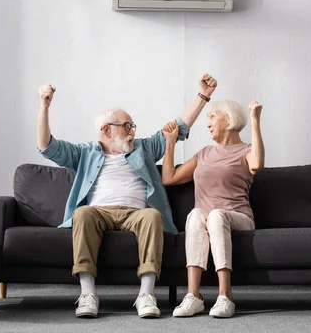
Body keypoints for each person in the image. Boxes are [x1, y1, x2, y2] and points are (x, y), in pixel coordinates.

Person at [36, 74, 218, 318]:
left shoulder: (143, 148)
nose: (132, 131)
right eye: (127, 126)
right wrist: (44, 106)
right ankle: (88, 294)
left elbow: (179, 126)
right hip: (98, 212)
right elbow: (47, 146)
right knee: (82, 213)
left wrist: (203, 96)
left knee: (153, 216)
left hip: (137, 213)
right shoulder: (85, 153)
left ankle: (146, 294)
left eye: (133, 126)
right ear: (106, 130)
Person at [161, 99, 264, 318]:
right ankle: (193, 296)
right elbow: (169, 178)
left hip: (238, 218)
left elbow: (256, 165)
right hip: (207, 220)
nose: (208, 124)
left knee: (216, 215)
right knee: (196, 214)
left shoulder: (246, 151)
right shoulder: (204, 153)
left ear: (229, 119)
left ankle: (225, 296)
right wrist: (170, 142)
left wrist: (255, 120)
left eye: (212, 117)